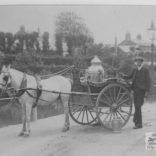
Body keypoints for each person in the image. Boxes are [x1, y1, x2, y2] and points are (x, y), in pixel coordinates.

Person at [123, 55, 151, 129]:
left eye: (140, 61)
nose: (138, 62)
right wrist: (123, 76)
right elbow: (129, 76)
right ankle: (137, 122)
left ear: (142, 62)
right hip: (135, 90)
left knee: (138, 106)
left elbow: (148, 81)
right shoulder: (134, 69)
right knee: (137, 106)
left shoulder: (145, 70)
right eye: (137, 61)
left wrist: (147, 93)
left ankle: (139, 123)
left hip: (142, 91)